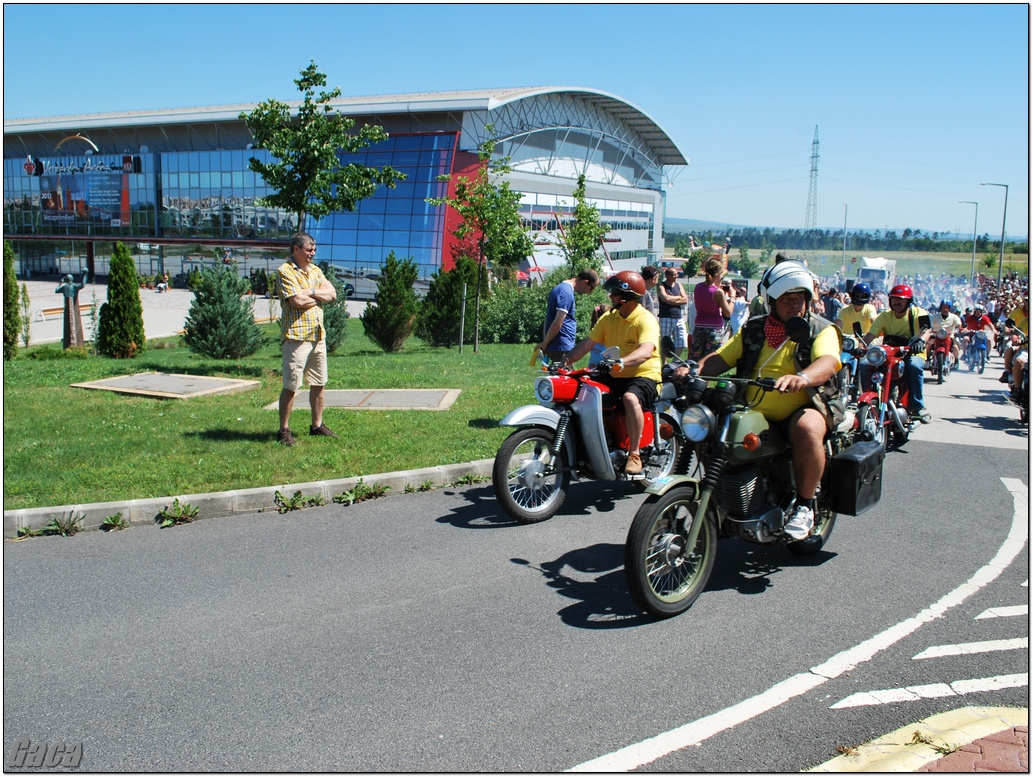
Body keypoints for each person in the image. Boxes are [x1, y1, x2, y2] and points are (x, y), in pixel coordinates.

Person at [677, 261, 842, 540]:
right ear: (771, 301)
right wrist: (692, 370)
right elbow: (720, 358)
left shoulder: (820, 329)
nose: (795, 305)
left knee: (808, 429)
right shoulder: (754, 328)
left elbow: (827, 362)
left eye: (799, 299)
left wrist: (802, 376)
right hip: (752, 407)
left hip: (804, 404)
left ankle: (804, 506)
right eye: (787, 300)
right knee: (708, 424)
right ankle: (723, 495)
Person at [563, 270, 661, 476]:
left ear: (626, 297)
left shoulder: (645, 319)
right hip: (615, 372)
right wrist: (563, 362)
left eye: (614, 293)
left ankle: (634, 454)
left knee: (630, 398)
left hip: (643, 375)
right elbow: (587, 345)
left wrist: (621, 362)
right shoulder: (609, 318)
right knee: (582, 386)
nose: (611, 297)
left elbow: (645, 351)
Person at [276, 232, 338, 447]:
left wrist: (310, 292)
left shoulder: (315, 271)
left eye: (314, 250)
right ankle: (284, 430)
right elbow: (296, 301)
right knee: (291, 385)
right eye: (308, 249)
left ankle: (317, 426)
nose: (312, 253)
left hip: (317, 336)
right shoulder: (285, 271)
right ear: (296, 249)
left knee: (319, 382)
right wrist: (316, 297)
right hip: (297, 337)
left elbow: (332, 294)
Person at [864, 284, 932, 424]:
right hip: (889, 355)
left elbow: (927, 331)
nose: (897, 302)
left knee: (914, 366)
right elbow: (870, 335)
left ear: (908, 301)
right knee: (865, 363)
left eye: (901, 299)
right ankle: (868, 398)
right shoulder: (884, 316)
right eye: (894, 299)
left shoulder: (918, 313)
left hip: (913, 353)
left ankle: (917, 406)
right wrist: (860, 346)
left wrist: (921, 342)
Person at [535, 269, 598, 365]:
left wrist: (546, 341)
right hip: (562, 346)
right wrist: (545, 343)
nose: (590, 292)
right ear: (586, 282)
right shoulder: (566, 293)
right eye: (592, 288)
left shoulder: (559, 288)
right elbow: (557, 323)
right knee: (566, 378)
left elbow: (548, 319)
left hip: (559, 346)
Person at [689, 258, 733, 361]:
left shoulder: (698, 287)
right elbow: (728, 312)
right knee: (710, 361)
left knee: (697, 359)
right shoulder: (718, 292)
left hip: (699, 327)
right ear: (718, 274)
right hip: (714, 330)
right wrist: (733, 298)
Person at [657, 267, 689, 358]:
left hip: (678, 317)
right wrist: (678, 297)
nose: (676, 276)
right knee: (665, 344)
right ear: (667, 275)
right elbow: (665, 298)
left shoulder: (679, 285)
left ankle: (674, 362)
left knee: (682, 342)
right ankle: (664, 365)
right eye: (674, 274)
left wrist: (671, 300)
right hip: (665, 317)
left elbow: (685, 299)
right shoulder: (661, 285)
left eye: (676, 274)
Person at [926, 299, 962, 367]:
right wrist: (929, 329)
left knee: (955, 347)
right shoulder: (935, 317)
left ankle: (956, 361)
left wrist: (958, 328)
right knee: (928, 345)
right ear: (941, 308)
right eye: (943, 307)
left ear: (949, 308)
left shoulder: (954, 317)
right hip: (936, 336)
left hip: (949, 336)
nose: (945, 309)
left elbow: (958, 325)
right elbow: (929, 325)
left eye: (947, 307)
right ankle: (927, 360)